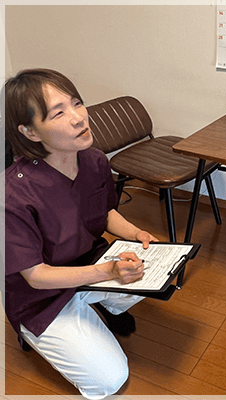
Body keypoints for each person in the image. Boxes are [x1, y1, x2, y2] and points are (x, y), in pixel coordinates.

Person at [2, 68, 159, 399]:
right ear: (29, 131)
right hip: (40, 296)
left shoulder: (94, 160)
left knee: (155, 269)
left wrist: (137, 233)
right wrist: (108, 272)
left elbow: (104, 212)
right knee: (109, 380)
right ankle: (30, 332)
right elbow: (36, 276)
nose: (78, 118)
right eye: (58, 113)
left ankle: (104, 307)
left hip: (89, 262)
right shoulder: (12, 195)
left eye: (77, 103)